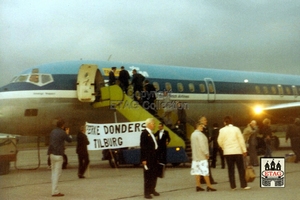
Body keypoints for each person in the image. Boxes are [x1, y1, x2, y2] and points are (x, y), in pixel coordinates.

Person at [218, 116, 250, 190]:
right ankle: (243, 185)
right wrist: (244, 150)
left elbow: (219, 141)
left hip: (227, 152)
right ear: (231, 121)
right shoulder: (236, 129)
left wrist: (224, 147)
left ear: (224, 122)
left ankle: (233, 186)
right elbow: (241, 140)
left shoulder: (222, 130)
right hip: (237, 151)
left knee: (230, 169)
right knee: (241, 169)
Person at [47, 119, 72, 197]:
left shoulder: (52, 132)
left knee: (53, 173)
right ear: (62, 125)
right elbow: (70, 140)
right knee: (57, 174)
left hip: (51, 154)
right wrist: (67, 133)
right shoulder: (62, 132)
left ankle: (53, 189)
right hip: (58, 155)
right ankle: (55, 191)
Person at [190, 122, 217, 192]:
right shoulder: (200, 135)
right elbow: (202, 145)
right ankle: (209, 185)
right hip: (201, 156)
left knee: (197, 171)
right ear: (197, 127)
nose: (202, 127)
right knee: (205, 171)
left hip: (195, 156)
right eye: (201, 126)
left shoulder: (192, 134)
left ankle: (198, 185)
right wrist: (206, 153)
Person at [140, 118, 160, 199]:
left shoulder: (151, 133)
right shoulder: (144, 134)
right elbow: (143, 147)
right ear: (148, 124)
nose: (154, 125)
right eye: (153, 124)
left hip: (154, 157)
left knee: (154, 174)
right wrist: (143, 159)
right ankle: (147, 192)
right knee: (148, 176)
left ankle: (152, 189)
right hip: (148, 158)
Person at [199, 116, 217, 184]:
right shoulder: (202, 128)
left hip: (206, 147)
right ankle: (209, 180)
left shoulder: (206, 128)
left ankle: (203, 179)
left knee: (204, 164)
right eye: (205, 120)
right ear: (201, 121)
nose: (206, 121)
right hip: (204, 148)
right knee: (206, 164)